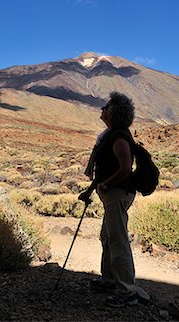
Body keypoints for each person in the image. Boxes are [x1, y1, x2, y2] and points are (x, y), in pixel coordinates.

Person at [78, 91, 138, 308]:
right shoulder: (110, 134)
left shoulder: (119, 136)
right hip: (112, 193)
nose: (101, 109)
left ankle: (127, 291)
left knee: (118, 239)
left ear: (113, 112)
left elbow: (124, 169)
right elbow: (105, 169)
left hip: (117, 193)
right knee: (107, 236)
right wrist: (91, 189)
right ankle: (110, 279)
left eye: (106, 106)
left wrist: (105, 185)